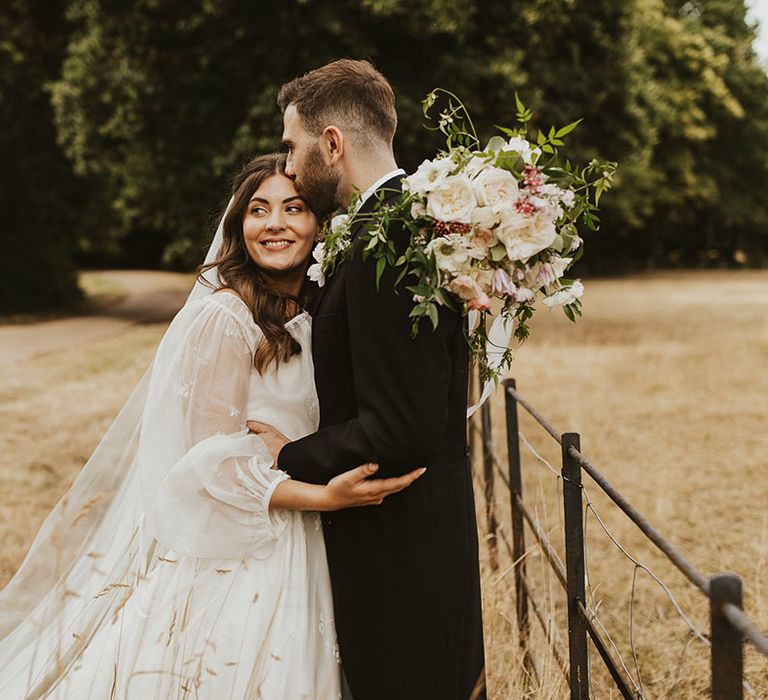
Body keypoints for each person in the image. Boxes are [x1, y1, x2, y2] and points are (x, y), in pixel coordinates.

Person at [0, 153, 423, 698]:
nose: (274, 224)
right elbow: (211, 464)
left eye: (294, 208)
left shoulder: (328, 312)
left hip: (316, 546)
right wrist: (325, 497)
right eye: (258, 210)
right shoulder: (226, 316)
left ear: (320, 223)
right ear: (237, 225)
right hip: (250, 546)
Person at [250, 60, 486, 700]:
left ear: (332, 144)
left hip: (402, 555)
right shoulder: (402, 227)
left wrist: (288, 456)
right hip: (415, 539)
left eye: (295, 148)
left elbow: (399, 427)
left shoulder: (390, 245)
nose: (290, 167)